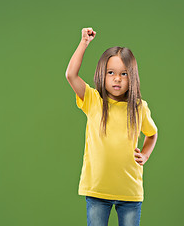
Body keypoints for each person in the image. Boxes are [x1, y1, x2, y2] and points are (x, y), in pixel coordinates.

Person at [65, 27, 158, 226]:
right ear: (102, 74)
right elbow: (71, 75)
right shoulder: (93, 100)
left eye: (124, 73)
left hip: (130, 192)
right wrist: (84, 43)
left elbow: (152, 134)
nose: (117, 78)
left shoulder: (140, 107)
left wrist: (145, 155)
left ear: (132, 76)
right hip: (97, 190)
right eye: (111, 72)